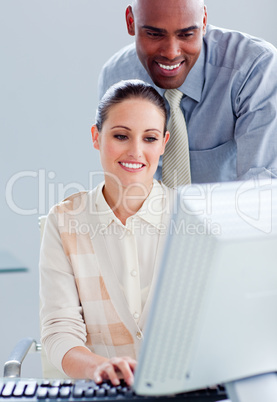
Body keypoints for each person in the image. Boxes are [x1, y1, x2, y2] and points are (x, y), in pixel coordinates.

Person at [40, 80, 174, 386]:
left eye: (150, 138)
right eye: (121, 136)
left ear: (164, 143)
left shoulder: (195, 218)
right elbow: (60, 331)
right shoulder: (64, 222)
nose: (136, 151)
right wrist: (100, 368)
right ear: (96, 137)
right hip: (102, 392)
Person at [98, 0, 277, 184]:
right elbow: (121, 183)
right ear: (131, 22)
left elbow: (261, 190)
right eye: (153, 34)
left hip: (230, 211)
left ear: (204, 21)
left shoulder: (254, 68)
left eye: (187, 34)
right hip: (149, 210)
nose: (171, 53)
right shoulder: (117, 75)